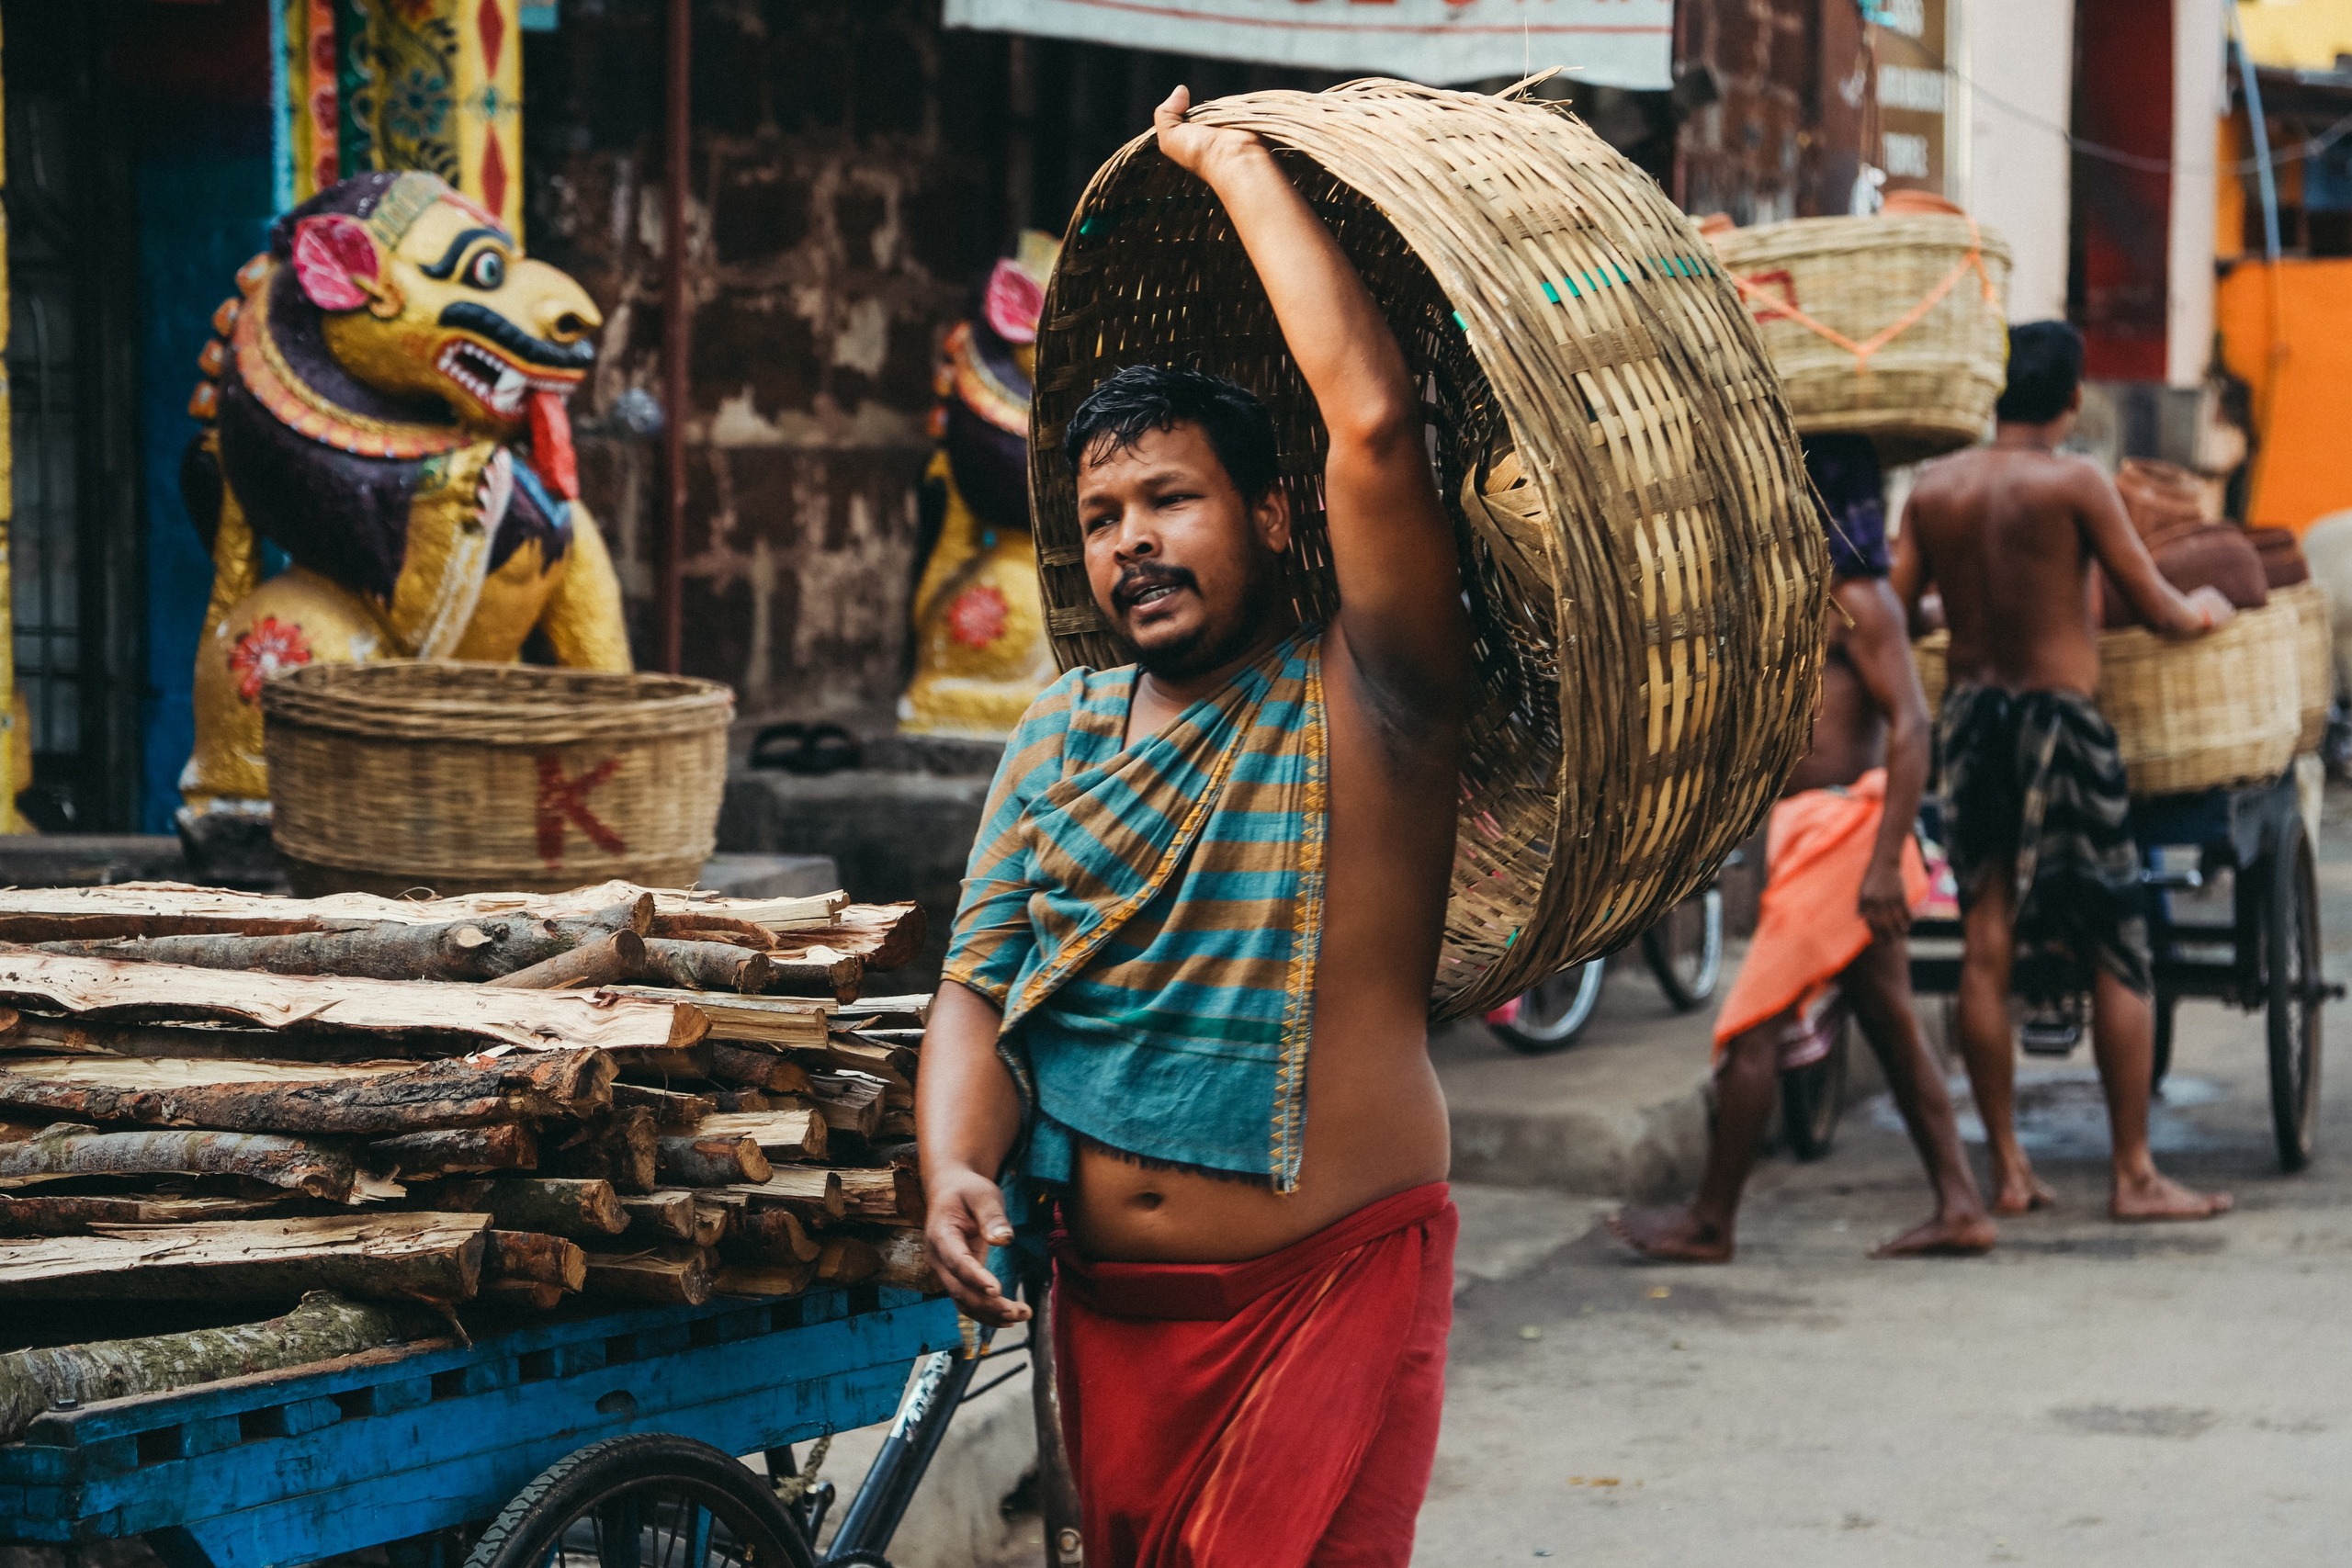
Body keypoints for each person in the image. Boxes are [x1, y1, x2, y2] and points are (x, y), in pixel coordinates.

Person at [915, 85, 1472, 1568]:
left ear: (1279, 518)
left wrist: (1231, 167)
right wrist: (955, 1162)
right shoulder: (1057, 732)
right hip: (1107, 1325)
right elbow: (981, 979)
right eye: (1101, 516)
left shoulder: (1375, 696)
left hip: (1329, 1293)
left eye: (1172, 497)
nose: (1132, 540)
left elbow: (1371, 418)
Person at [1610, 434, 1996, 1264]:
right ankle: (1960, 1203)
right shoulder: (1809, 593)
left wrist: (1885, 861)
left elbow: (1913, 728)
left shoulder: (1860, 596)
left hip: (1845, 840)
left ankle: (1712, 1219)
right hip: (1821, 837)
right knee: (1892, 1024)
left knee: (1752, 1029)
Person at [1894, 321, 2234, 1222]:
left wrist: (1959, 599)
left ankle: (2007, 1170)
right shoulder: (2076, 482)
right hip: (2062, 725)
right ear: (2072, 398)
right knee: (2116, 943)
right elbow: (2157, 607)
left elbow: (1895, 614)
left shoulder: (1935, 489)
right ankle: (2132, 1176)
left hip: (1970, 724)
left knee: (1985, 943)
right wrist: (2205, 607)